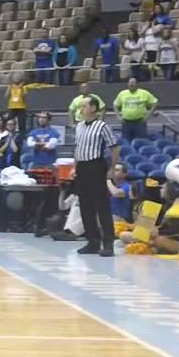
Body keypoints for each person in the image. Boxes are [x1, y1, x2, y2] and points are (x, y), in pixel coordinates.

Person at [72, 97, 121, 257]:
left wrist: (112, 168)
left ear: (93, 108)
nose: (81, 108)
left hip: (96, 166)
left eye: (84, 105)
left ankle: (108, 243)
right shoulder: (78, 126)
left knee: (102, 206)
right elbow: (77, 148)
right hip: (82, 167)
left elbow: (114, 147)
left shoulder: (102, 126)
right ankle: (92, 241)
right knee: (85, 206)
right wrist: (75, 167)